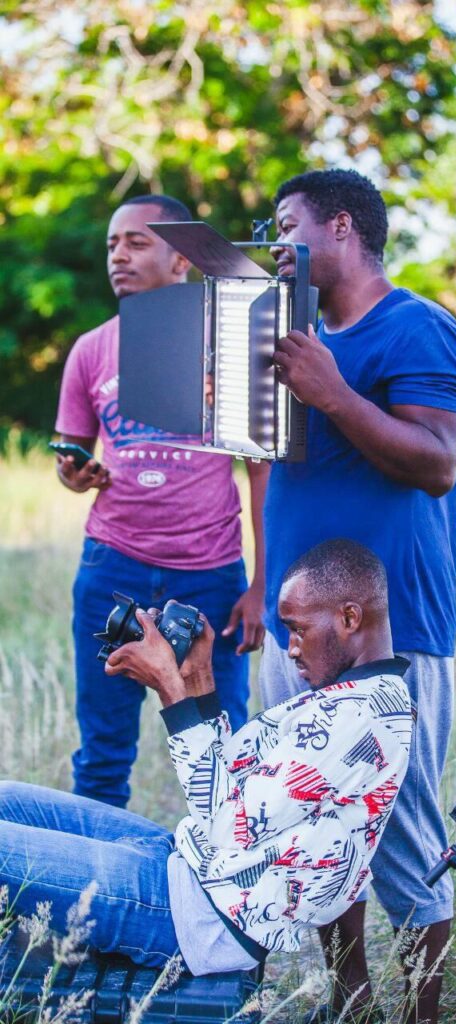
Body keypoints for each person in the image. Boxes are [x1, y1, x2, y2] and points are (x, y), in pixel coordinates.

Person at [263, 169, 456, 1024]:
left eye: (288, 226)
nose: (277, 246)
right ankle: (351, 1007)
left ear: (342, 227)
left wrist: (333, 392)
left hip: (389, 632)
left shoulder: (419, 328)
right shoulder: (296, 337)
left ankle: (422, 1018)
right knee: (319, 832)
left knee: (402, 835)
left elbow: (436, 462)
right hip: (295, 630)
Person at [0, 540, 413, 982]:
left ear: (349, 618)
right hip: (187, 865)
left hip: (197, 915)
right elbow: (234, 781)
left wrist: (170, 689)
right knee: (8, 800)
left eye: (298, 629)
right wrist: (197, 676)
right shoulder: (355, 697)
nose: (292, 648)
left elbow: (230, 828)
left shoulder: (359, 717)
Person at [54, 194, 269, 809]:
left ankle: (226, 865)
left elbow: (260, 471)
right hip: (112, 566)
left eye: (136, 242)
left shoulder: (226, 345)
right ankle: (92, 870)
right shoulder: (92, 348)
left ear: (182, 260)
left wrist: (261, 581)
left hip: (210, 575)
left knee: (222, 747)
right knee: (103, 753)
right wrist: (76, 475)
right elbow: (71, 459)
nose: (118, 256)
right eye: (111, 245)